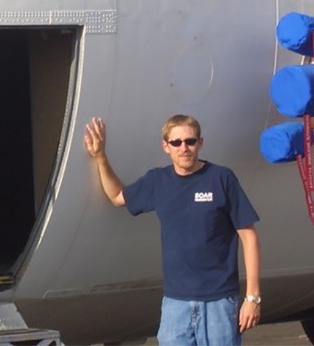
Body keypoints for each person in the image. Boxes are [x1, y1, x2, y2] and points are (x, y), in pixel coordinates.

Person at [84, 115, 261, 345]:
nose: (184, 148)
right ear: (165, 146)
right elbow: (117, 197)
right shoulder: (158, 181)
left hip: (219, 303)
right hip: (175, 306)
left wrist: (253, 298)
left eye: (190, 141)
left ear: (201, 143)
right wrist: (100, 157)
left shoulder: (221, 179)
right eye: (176, 143)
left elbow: (249, 237)